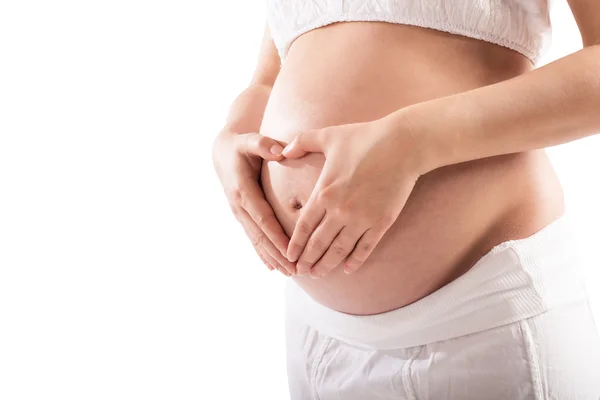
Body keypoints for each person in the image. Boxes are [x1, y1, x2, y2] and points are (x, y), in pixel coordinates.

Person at [212, 0, 600, 398]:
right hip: (316, 331)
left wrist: (412, 141)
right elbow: (281, 54)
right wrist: (237, 127)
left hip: (483, 323)